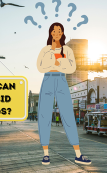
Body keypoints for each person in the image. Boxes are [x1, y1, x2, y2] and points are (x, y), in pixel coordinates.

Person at [37, 22, 91, 165]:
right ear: (50, 33)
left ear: (62, 33)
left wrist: (57, 61)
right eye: (54, 31)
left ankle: (78, 154)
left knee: (68, 115)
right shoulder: (45, 49)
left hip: (61, 80)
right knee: (44, 115)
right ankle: (46, 154)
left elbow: (71, 67)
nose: (56, 33)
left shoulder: (67, 50)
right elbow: (40, 67)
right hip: (48, 79)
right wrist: (57, 62)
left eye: (59, 30)